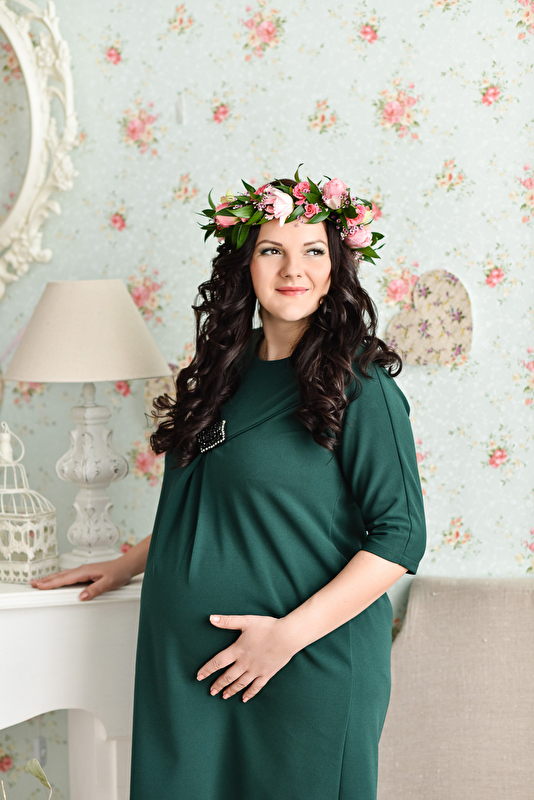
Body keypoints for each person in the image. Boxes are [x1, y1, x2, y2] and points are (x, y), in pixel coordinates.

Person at [31, 171, 427, 799]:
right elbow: (216, 502)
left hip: (302, 667)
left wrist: (283, 639)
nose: (293, 269)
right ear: (245, 265)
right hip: (187, 671)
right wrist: (128, 562)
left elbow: (400, 538)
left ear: (336, 267)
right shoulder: (218, 371)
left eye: (313, 250)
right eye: (272, 250)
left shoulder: (361, 384)